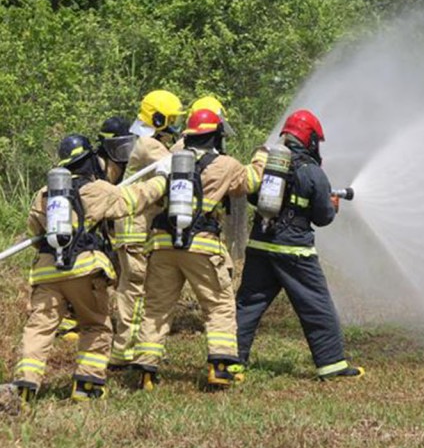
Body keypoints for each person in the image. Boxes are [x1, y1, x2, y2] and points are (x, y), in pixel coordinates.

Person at [10, 134, 167, 404]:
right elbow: (134, 199)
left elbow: (35, 234)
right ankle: (88, 384)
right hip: (84, 270)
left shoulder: (43, 194)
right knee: (95, 325)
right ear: (88, 161)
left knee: (39, 328)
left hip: (46, 273)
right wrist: (162, 178)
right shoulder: (96, 189)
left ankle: (25, 385)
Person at [130, 109, 263, 390]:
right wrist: (262, 157)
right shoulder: (225, 164)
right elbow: (250, 182)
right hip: (201, 245)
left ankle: (145, 371)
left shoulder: (171, 159)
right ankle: (220, 367)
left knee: (156, 308)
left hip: (162, 244)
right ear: (216, 136)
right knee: (218, 305)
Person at [236, 109, 364, 381]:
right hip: (294, 252)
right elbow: (322, 217)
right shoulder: (313, 172)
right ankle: (332, 365)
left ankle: (230, 361)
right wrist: (332, 206)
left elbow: (252, 197)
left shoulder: (268, 164)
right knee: (317, 306)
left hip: (260, 245)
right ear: (311, 140)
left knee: (247, 305)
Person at [109, 90, 184, 369]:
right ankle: (126, 351)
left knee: (135, 288)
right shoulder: (148, 144)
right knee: (136, 289)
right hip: (135, 226)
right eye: (173, 119)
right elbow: (174, 164)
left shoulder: (149, 141)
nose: (175, 125)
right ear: (158, 119)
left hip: (138, 225)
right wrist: (193, 140)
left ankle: (128, 348)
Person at [55, 115, 137, 344]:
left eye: (128, 147)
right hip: (81, 229)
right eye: (119, 148)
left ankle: (89, 316)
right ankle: (72, 321)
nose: (124, 154)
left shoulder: (122, 168)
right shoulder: (95, 167)